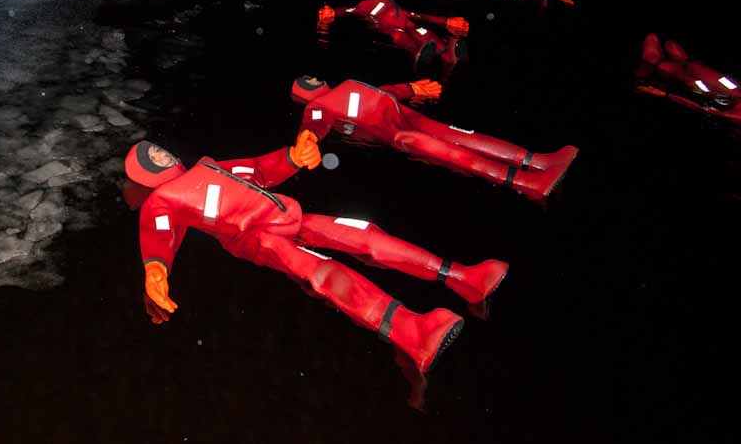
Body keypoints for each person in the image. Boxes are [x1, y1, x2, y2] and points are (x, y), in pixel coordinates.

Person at [125, 133, 509, 373]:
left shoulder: (208, 167)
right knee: (321, 271)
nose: (161, 154)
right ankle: (411, 332)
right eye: (152, 157)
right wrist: (155, 270)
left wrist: (292, 156)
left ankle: (463, 277)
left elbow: (255, 170)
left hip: (287, 215)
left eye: (158, 149)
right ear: (144, 173)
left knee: (364, 235)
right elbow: (158, 232)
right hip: (259, 239)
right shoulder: (163, 200)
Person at [291, 75, 578, 202]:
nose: (312, 78)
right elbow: (314, 124)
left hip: (408, 116)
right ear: (304, 93)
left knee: (462, 136)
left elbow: (379, 92)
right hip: (399, 133)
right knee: (451, 152)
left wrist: (412, 88)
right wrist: (308, 140)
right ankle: (527, 182)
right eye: (307, 81)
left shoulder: (342, 89)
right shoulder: (318, 107)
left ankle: (537, 160)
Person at [318, 0, 469, 72]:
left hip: (408, 25)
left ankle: (448, 55)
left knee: (423, 32)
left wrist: (445, 21)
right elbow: (348, 10)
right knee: (400, 35)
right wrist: (333, 12)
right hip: (395, 30)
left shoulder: (395, 7)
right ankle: (419, 53)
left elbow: (418, 16)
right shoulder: (365, 8)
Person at [635, 34, 740, 123]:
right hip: (733, 94)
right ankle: (686, 62)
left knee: (696, 85)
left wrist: (665, 95)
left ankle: (654, 62)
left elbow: (705, 110)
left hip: (719, 106)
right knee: (725, 82)